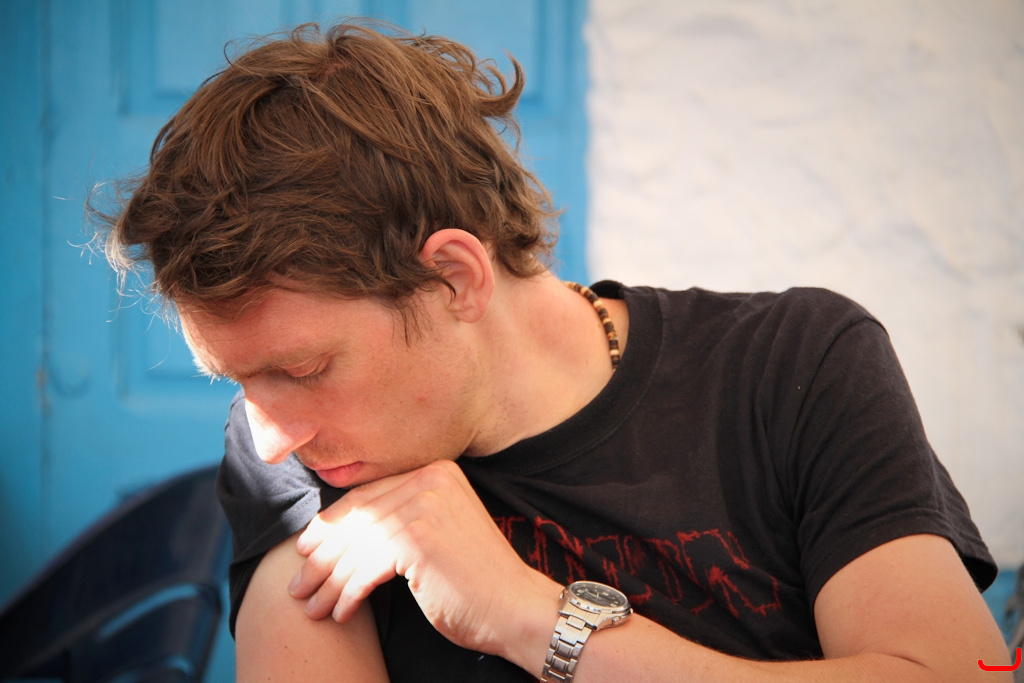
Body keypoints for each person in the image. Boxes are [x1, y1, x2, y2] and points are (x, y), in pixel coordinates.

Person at [97, 20, 1011, 682]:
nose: (270, 436)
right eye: (240, 380)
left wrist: (532, 619)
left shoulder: (792, 367)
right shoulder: (294, 468)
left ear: (454, 278)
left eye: (303, 369)